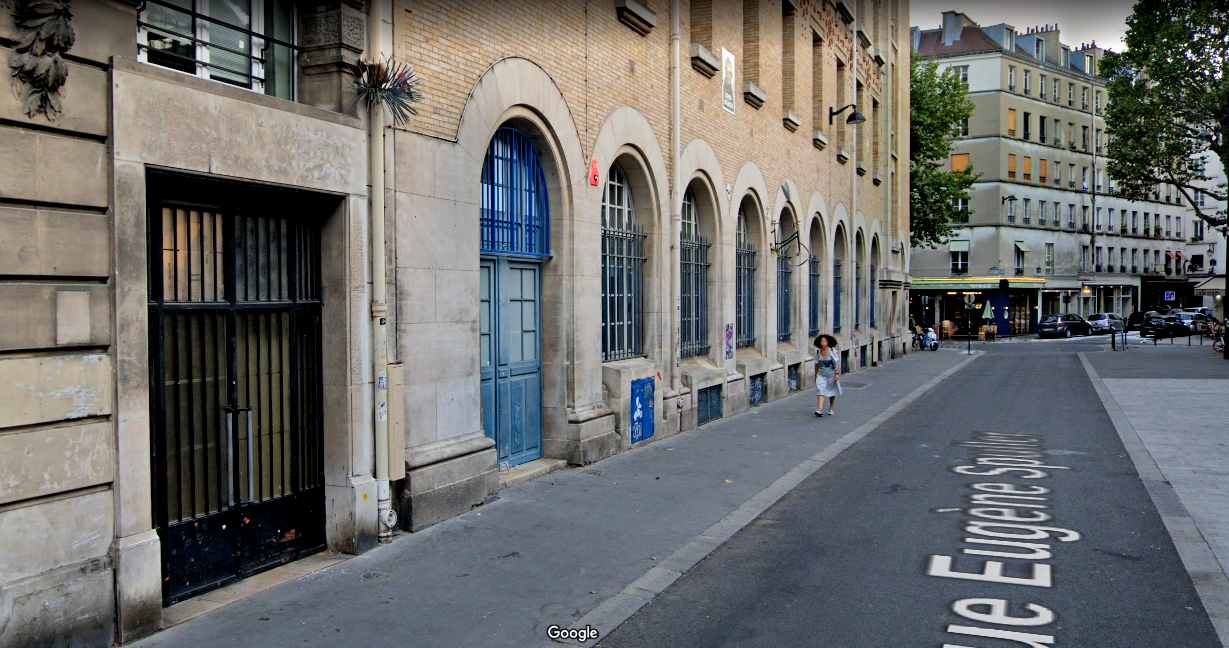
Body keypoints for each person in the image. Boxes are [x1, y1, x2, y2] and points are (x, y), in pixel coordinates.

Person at [813, 334, 841, 417]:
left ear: (828, 342)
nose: (823, 343)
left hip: (831, 374)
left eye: (825, 341)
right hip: (821, 374)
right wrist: (816, 374)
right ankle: (820, 410)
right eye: (821, 341)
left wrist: (837, 374)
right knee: (820, 390)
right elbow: (817, 364)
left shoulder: (832, 351)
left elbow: (837, 363)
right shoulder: (818, 352)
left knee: (831, 392)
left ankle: (831, 407)